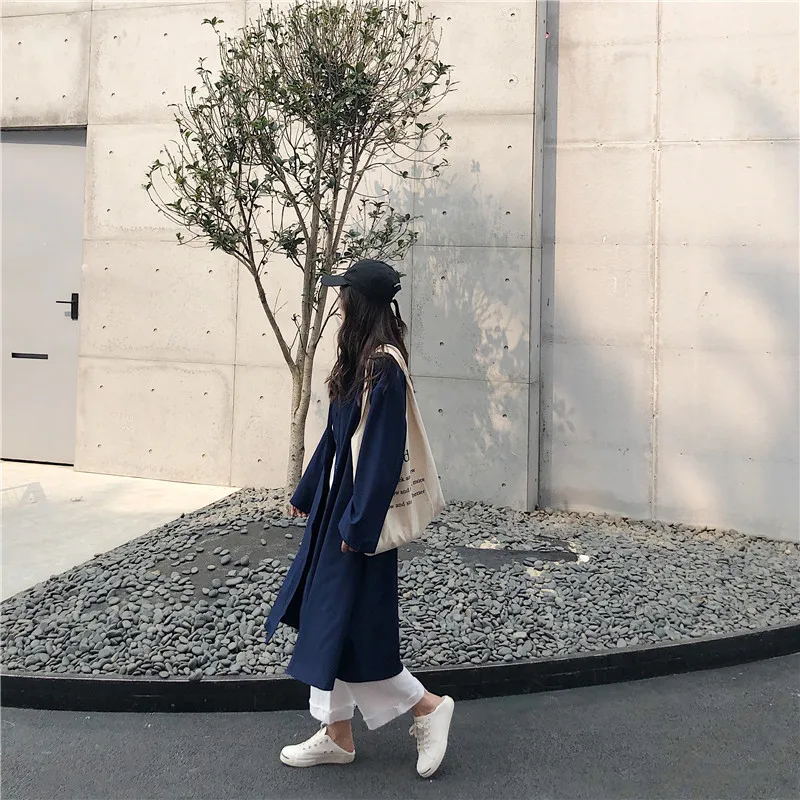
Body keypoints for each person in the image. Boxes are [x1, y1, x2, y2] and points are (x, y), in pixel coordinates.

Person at [264, 259, 455, 778]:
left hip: (355, 519)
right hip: (338, 510)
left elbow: (381, 456)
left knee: (347, 625)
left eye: (344, 296)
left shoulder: (384, 367)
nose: (339, 304)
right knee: (333, 623)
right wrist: (308, 491)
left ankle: (428, 707)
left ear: (360, 303)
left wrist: (359, 527)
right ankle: (337, 734)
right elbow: (335, 436)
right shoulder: (359, 361)